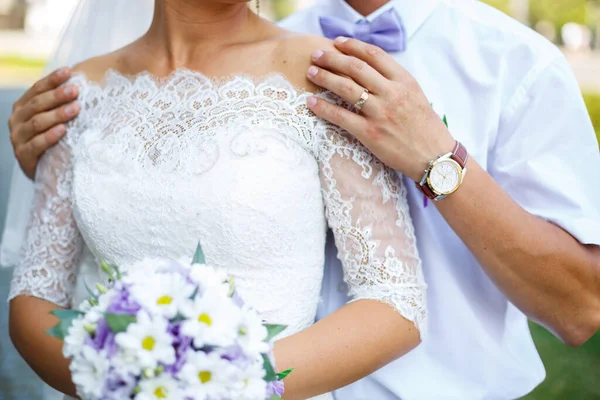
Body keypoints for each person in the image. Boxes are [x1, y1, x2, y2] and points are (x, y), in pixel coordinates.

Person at [5, 0, 600, 399]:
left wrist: (436, 159)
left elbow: (581, 307)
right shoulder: (87, 87)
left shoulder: (510, 60)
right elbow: (44, 285)